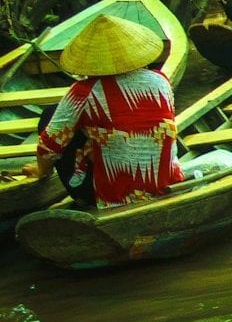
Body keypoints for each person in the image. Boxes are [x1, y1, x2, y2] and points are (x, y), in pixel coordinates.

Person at [33, 13, 182, 207]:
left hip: (116, 196)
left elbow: (48, 148)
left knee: (51, 114)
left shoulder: (83, 92)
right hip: (167, 183)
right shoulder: (160, 81)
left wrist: (40, 171)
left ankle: (85, 196)